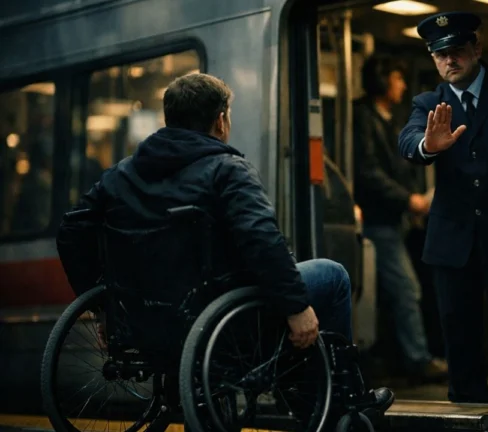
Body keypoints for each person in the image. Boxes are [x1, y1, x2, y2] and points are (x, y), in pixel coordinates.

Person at [56, 72, 394, 413]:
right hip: (225, 321)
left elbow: (71, 232)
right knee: (332, 276)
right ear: (220, 121)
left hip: (146, 325)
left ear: (168, 119)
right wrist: (296, 307)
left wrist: (104, 308)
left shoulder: (119, 176)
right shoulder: (228, 170)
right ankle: (336, 395)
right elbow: (262, 241)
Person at [398, 12, 488, 403]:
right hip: (452, 236)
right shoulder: (428, 103)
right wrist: (427, 146)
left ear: (476, 48)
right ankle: (470, 410)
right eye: (440, 55)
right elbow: (408, 141)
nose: (449, 61)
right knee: (459, 333)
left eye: (456, 51)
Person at [353, 54, 448, 381]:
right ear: (382, 79)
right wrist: (409, 200)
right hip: (377, 221)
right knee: (406, 289)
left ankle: (397, 356)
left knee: (397, 291)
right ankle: (417, 358)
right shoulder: (362, 118)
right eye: (396, 77)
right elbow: (368, 173)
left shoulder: (388, 118)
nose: (403, 85)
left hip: (395, 218)